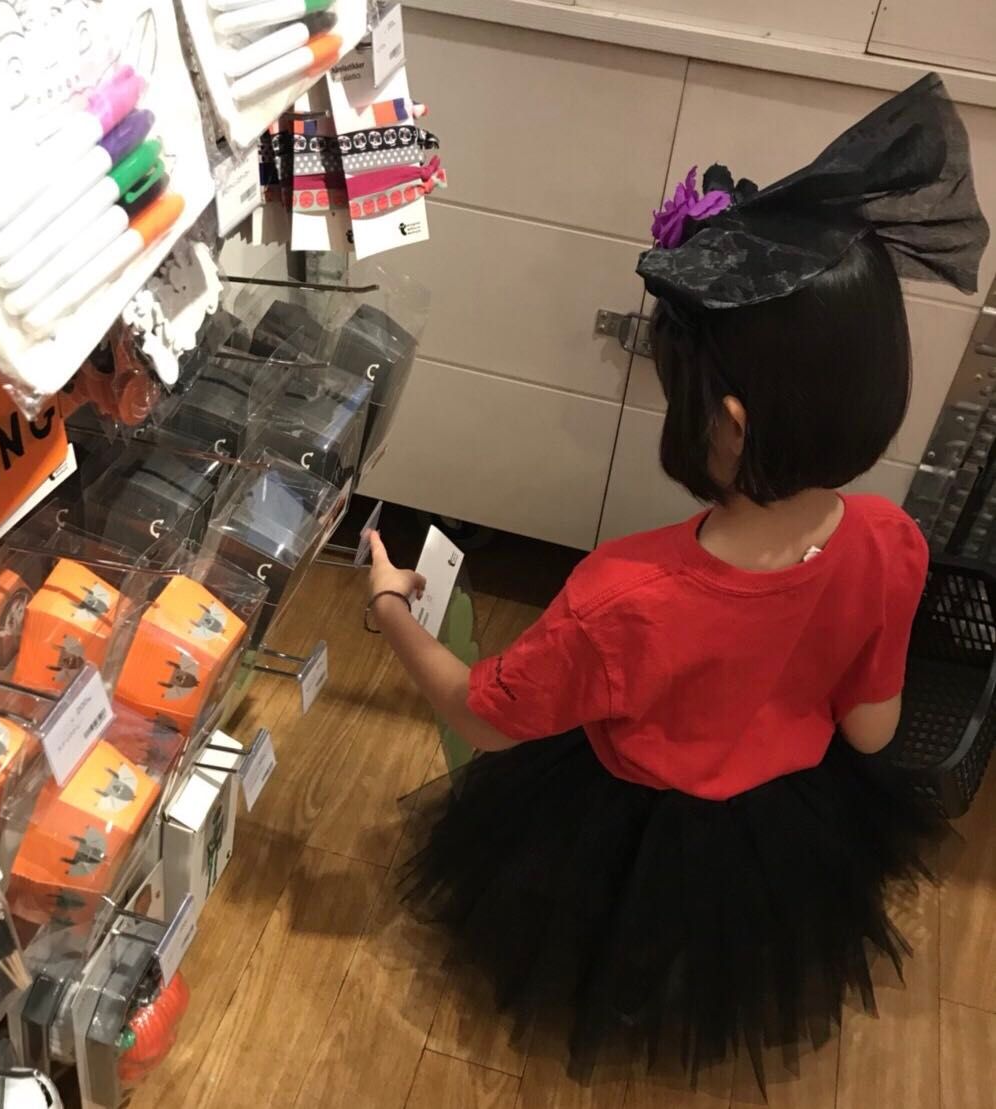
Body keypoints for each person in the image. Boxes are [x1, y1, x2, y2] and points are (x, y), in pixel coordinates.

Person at [363, 73, 988, 1092]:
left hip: (631, 814)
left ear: (728, 424)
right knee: (717, 941)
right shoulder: (890, 540)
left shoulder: (625, 593)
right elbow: (872, 731)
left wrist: (392, 605)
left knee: (602, 921)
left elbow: (481, 714)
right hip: (783, 821)